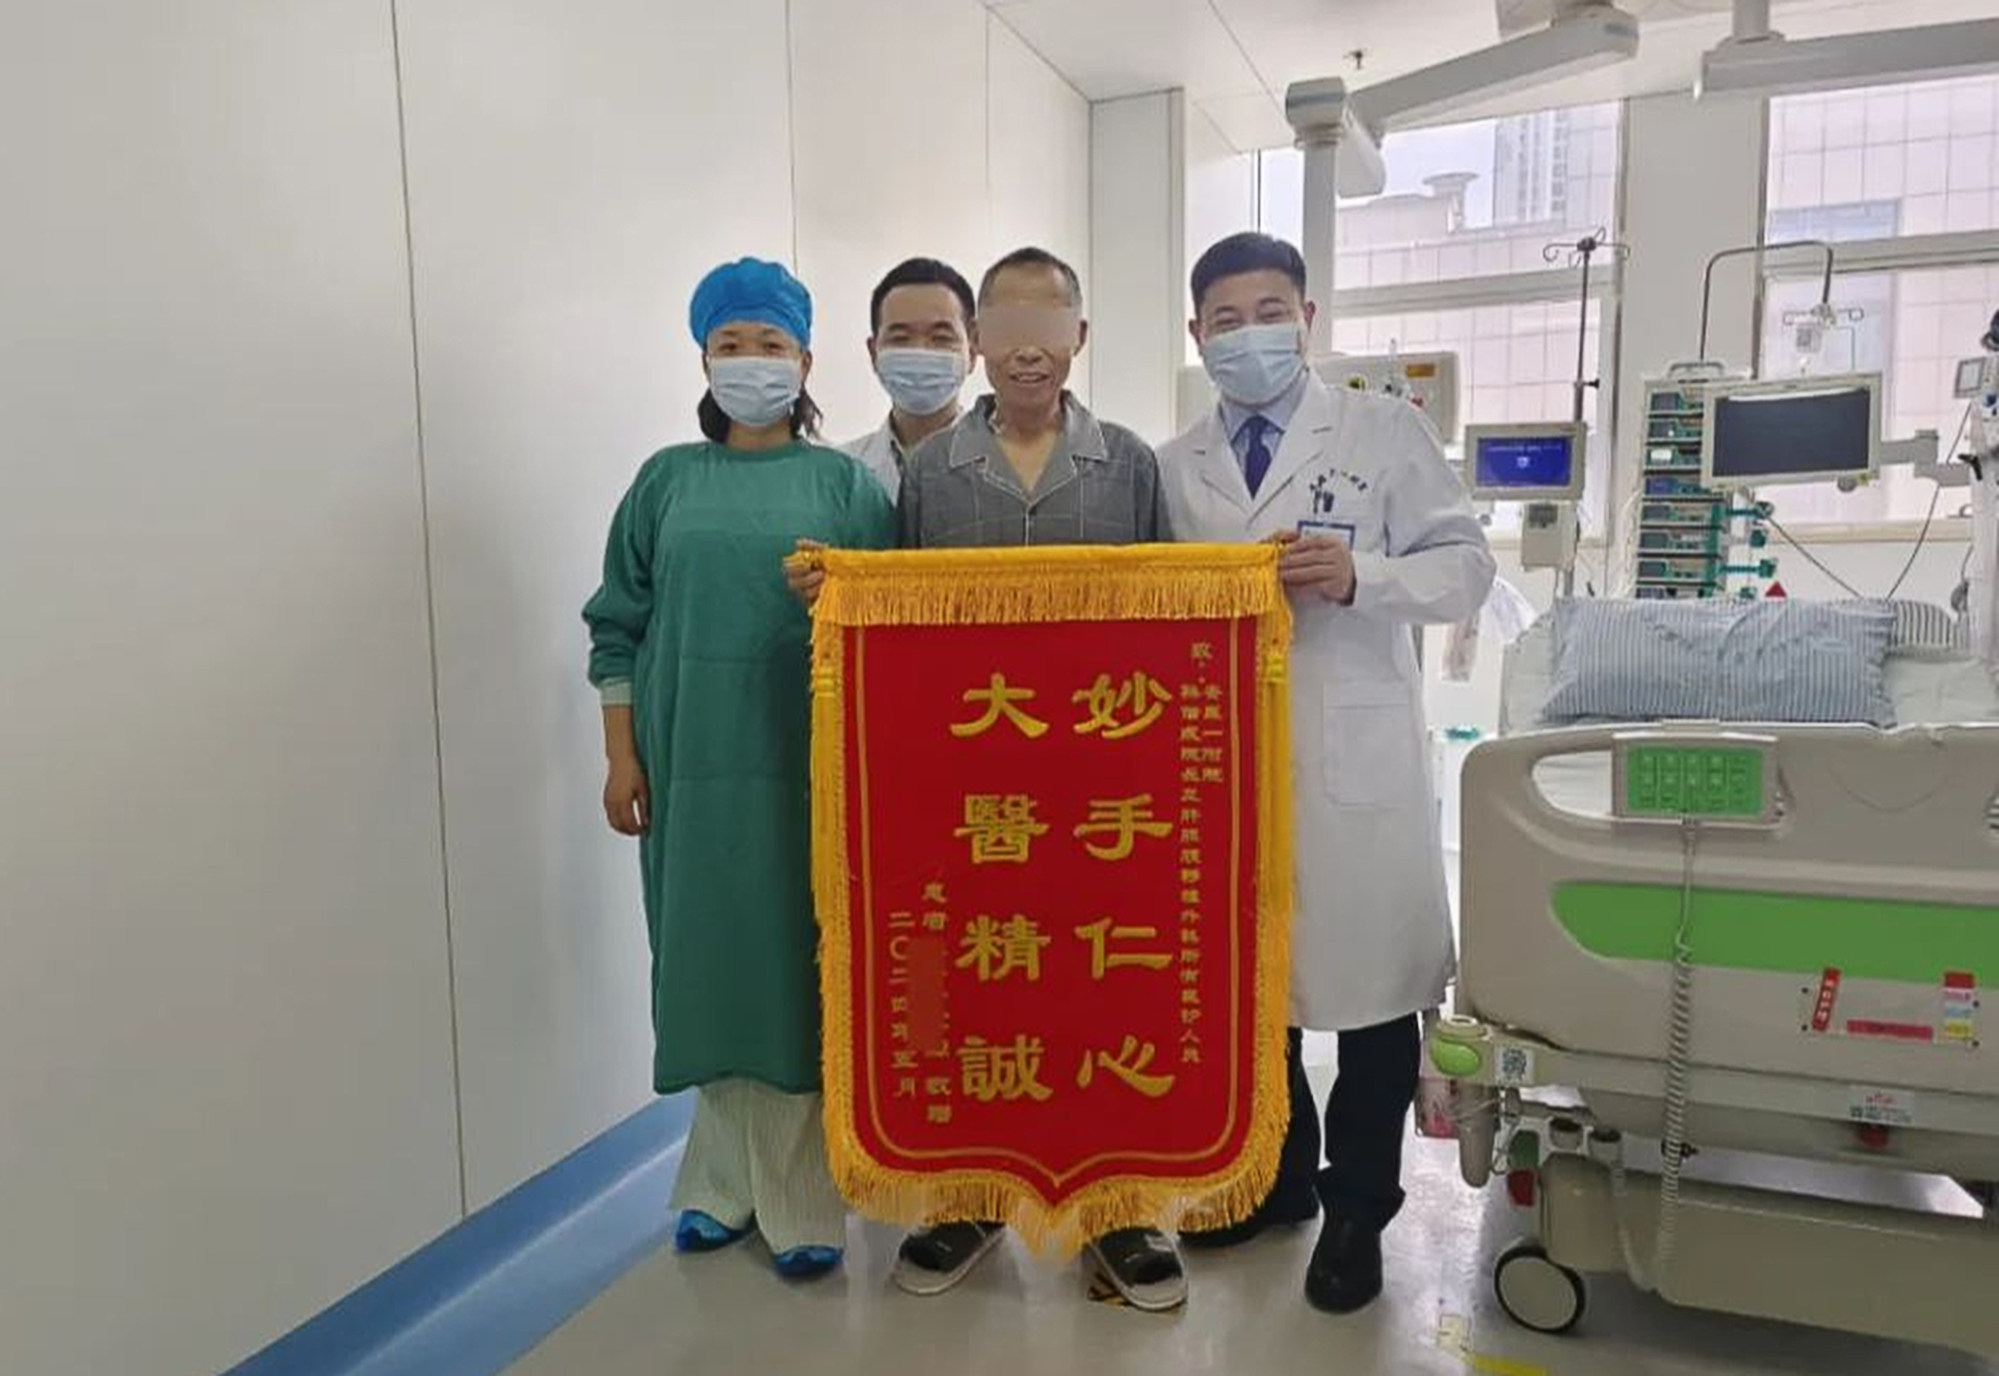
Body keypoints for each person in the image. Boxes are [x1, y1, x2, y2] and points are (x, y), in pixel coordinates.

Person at [786, 246, 1182, 1311]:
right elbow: (897, 635)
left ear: (1078, 341)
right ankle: (966, 1196)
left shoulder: (1131, 465)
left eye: (1047, 327)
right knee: (981, 988)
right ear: (980, 342)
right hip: (978, 801)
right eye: (1004, 324)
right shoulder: (927, 475)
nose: (1026, 349)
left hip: (1104, 796)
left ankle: (1119, 1210)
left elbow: (1179, 629)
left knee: (1105, 993)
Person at [1157, 232, 1495, 1315]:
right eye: (1224, 317)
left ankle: (1357, 1212)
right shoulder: (1173, 466)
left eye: (1268, 311)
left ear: (1304, 317)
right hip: (1225, 763)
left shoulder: (1380, 430)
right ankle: (1275, 1181)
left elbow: (1465, 568)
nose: (1246, 333)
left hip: (1357, 758)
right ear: (1197, 333)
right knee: (1258, 995)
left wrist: (1362, 574)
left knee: (1372, 1000)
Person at [584, 258, 895, 1284]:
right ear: (703, 359)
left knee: (794, 969)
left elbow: (889, 629)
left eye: (770, 345)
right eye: (732, 345)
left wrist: (832, 599)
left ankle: (803, 1192)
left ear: (805, 360)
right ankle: (717, 1181)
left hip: (806, 776)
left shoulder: (844, 485)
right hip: (690, 769)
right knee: (707, 965)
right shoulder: (664, 479)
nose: (751, 362)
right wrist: (622, 753)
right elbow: (616, 626)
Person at [842, 257, 978, 500]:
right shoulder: (843, 470)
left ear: (974, 350)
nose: (920, 350)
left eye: (941, 337)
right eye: (900, 338)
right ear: (874, 353)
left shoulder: (1005, 469)